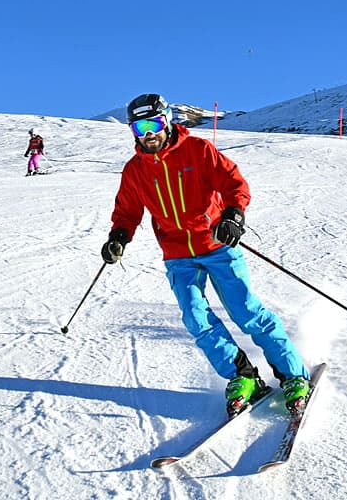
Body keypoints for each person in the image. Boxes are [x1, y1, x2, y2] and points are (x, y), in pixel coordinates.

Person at [101, 93, 311, 416]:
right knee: (196, 318)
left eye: (154, 124)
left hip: (217, 245)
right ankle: (243, 376)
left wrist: (232, 216)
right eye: (140, 127)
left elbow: (233, 183)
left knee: (246, 312)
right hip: (177, 255)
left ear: (167, 120)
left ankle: (293, 375)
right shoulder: (135, 171)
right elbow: (127, 211)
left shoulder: (197, 151)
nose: (149, 133)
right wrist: (119, 236)